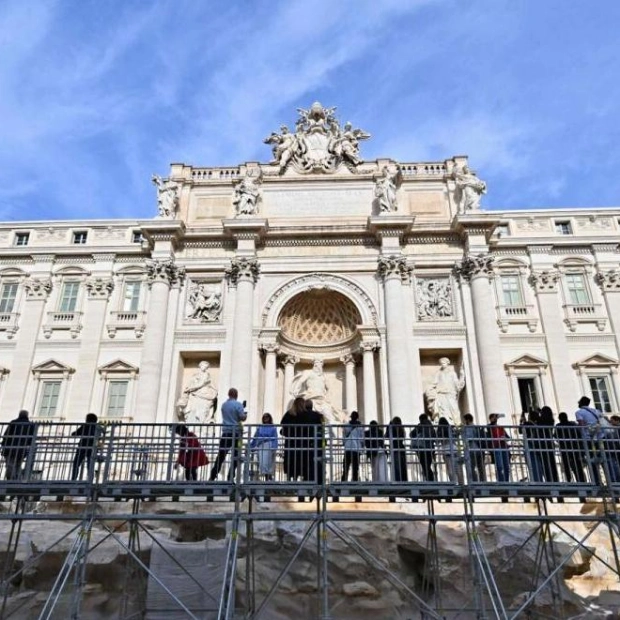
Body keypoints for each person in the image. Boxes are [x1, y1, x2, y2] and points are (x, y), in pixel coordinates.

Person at [290, 359, 345, 424]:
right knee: (308, 419)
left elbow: (328, 388)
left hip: (322, 400)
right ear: (314, 365)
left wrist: (327, 397)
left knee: (331, 418)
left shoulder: (323, 376)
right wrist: (296, 390)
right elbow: (300, 381)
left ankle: (333, 433)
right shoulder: (308, 372)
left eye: (320, 365)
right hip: (310, 400)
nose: (318, 367)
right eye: (317, 365)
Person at [209, 388, 247, 482]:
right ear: (236, 395)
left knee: (221, 455)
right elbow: (242, 418)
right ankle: (230, 477)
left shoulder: (224, 405)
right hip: (237, 434)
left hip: (226, 433)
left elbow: (230, 415)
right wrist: (245, 413)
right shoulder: (238, 405)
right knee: (236, 456)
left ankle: (213, 476)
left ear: (228, 394)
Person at [424, 358, 465, 425]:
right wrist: (429, 390)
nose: (442, 364)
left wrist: (462, 375)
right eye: (441, 363)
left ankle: (456, 427)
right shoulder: (438, 373)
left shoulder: (452, 373)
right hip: (441, 395)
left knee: (454, 411)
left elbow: (458, 385)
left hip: (450, 395)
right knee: (442, 413)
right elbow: (433, 383)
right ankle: (443, 426)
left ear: (447, 363)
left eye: (444, 363)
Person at [2, 410, 35, 481]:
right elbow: (31, 439)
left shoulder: (13, 423)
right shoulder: (31, 425)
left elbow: (6, 435)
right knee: (18, 465)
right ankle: (17, 479)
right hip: (22, 450)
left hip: (10, 448)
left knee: (10, 465)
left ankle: (11, 480)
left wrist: (3, 445)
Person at [71, 413, 105, 481]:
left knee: (76, 464)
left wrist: (74, 433)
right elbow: (101, 436)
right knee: (90, 466)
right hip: (92, 448)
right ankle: (90, 480)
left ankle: (73, 479)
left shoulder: (85, 426)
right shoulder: (98, 427)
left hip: (82, 447)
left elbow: (75, 433)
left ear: (88, 419)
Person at [298, 399, 324, 483]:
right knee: (317, 462)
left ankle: (307, 480)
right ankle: (319, 481)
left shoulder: (301, 416)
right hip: (317, 443)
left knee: (306, 463)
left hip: (305, 442)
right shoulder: (318, 416)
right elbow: (321, 429)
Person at [555, 412, 586, 483]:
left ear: (559, 418)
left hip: (565, 448)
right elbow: (578, 434)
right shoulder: (573, 424)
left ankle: (569, 481)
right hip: (574, 447)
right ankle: (581, 480)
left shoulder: (558, 426)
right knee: (577, 465)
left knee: (567, 466)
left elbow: (556, 437)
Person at [280, 397, 305, 481]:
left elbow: (282, 423)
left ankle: (288, 478)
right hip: (301, 442)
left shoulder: (289, 413)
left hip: (290, 441)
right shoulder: (304, 414)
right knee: (298, 460)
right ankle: (295, 478)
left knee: (289, 459)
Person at [250, 413, 278, 481]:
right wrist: (252, 446)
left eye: (267, 417)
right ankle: (268, 477)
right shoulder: (260, 427)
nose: (265, 419)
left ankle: (268, 477)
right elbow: (255, 437)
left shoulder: (273, 428)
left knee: (267, 462)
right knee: (262, 462)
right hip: (261, 445)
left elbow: (275, 438)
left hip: (269, 444)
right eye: (264, 417)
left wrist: (274, 447)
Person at [436, 417, 462, 484]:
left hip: (446, 450)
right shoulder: (451, 429)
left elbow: (437, 441)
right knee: (458, 468)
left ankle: (453, 483)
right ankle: (461, 483)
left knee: (450, 469)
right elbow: (456, 438)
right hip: (455, 449)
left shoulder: (439, 431)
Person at [411, 414, 436, 482]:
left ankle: (430, 480)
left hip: (422, 448)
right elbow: (434, 437)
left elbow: (412, 434)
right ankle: (430, 479)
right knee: (427, 465)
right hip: (431, 448)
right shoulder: (431, 427)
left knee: (425, 465)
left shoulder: (420, 425)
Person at [519, 410, 543, 482]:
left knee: (531, 463)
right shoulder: (537, 424)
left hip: (529, 443)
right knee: (538, 463)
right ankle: (539, 480)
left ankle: (535, 480)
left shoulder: (527, 423)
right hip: (537, 444)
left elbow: (520, 430)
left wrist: (521, 422)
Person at [462, 414, 486, 482]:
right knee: (480, 467)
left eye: (464, 420)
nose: (464, 422)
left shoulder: (468, 427)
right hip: (480, 449)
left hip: (472, 449)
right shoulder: (476, 427)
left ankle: (475, 482)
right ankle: (483, 482)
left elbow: (468, 438)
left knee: (471, 467)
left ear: (468, 420)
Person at [538, 406, 559, 483]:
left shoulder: (540, 420)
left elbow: (539, 422)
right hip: (550, 443)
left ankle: (548, 480)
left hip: (542, 443)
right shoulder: (551, 420)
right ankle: (555, 479)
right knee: (552, 462)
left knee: (545, 463)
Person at [341, 411, 364, 482]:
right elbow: (362, 439)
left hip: (348, 449)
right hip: (356, 449)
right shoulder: (360, 427)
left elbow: (344, 437)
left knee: (345, 468)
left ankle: (344, 482)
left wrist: (344, 443)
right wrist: (362, 447)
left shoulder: (346, 426)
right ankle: (355, 482)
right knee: (355, 469)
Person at [488, 414, 511, 482]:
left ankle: (506, 481)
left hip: (504, 447)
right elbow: (490, 428)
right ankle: (501, 482)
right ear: (491, 418)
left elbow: (508, 437)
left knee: (506, 466)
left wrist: (504, 438)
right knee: (500, 466)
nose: (495, 419)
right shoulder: (489, 427)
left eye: (496, 417)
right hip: (496, 447)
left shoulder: (500, 427)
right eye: (494, 417)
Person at [387, 417, 408, 482]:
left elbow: (387, 435)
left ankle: (398, 481)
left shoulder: (392, 428)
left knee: (396, 466)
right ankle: (404, 481)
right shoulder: (401, 428)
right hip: (401, 447)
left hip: (395, 448)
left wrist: (389, 426)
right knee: (402, 466)